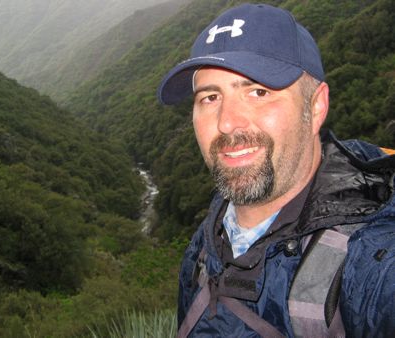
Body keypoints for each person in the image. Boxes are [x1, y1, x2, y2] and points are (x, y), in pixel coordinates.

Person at [157, 3, 394, 338]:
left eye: (258, 92)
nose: (226, 123)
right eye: (210, 98)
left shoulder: (373, 261)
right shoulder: (207, 241)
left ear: (315, 106)